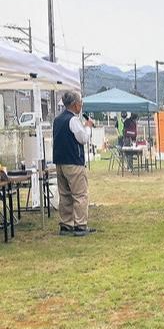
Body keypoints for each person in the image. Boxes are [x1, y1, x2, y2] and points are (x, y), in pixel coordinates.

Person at [53, 90, 99, 236]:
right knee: (80, 194)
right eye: (80, 104)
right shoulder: (73, 120)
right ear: (75, 105)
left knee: (65, 194)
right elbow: (83, 138)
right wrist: (88, 126)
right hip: (73, 161)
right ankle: (80, 225)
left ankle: (66, 224)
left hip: (60, 162)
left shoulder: (57, 119)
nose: (81, 106)